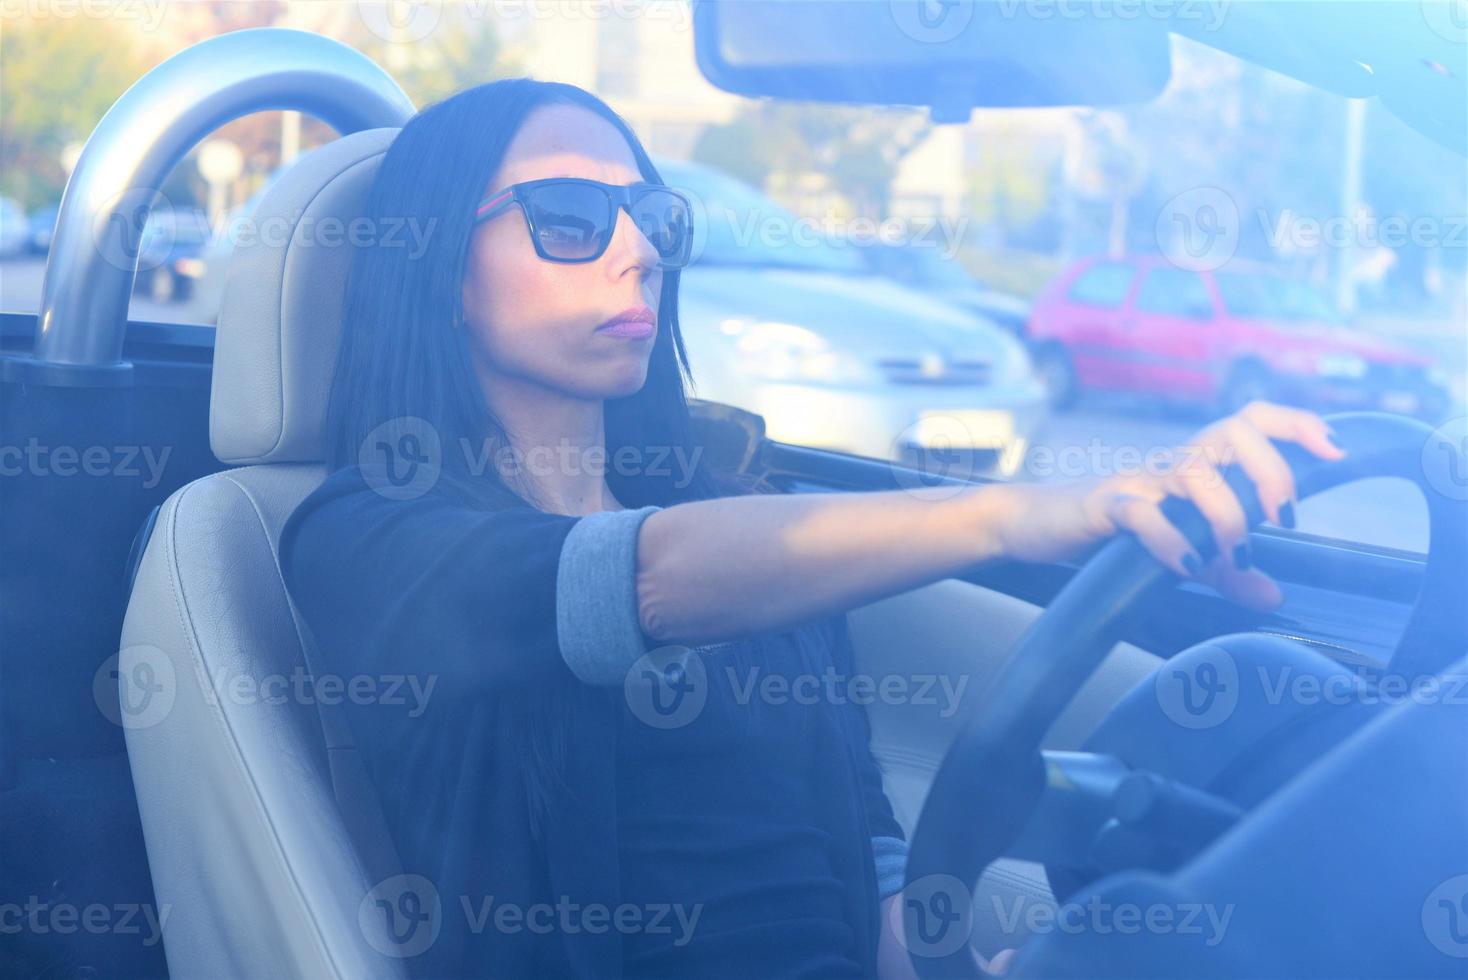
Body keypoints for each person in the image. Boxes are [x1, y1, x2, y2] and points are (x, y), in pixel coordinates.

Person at [278, 78, 1344, 980]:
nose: (637, 252)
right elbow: (625, 585)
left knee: (1271, 776)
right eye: (568, 215)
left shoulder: (723, 516)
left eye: (654, 217)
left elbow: (860, 841)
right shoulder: (368, 540)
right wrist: (1024, 511)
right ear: (440, 271)